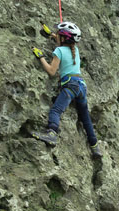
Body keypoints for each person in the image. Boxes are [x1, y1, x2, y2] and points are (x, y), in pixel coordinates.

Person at [31, 21, 102, 159]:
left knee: (56, 110)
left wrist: (41, 57)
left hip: (70, 85)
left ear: (63, 38)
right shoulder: (75, 50)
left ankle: (51, 134)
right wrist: (50, 35)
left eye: (58, 34)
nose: (56, 35)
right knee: (85, 118)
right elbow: (62, 43)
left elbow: (52, 71)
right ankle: (95, 148)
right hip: (81, 86)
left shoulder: (59, 51)